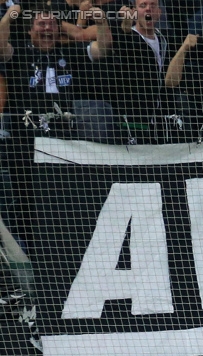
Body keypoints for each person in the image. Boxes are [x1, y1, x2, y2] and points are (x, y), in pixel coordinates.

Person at [0, 4, 111, 246]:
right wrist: (8, 18)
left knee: (62, 199)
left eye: (51, 24)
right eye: (41, 24)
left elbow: (102, 49)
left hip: (63, 144)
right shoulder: (19, 52)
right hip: (25, 146)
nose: (47, 28)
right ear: (30, 31)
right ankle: (31, 250)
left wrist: (102, 23)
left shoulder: (69, 53)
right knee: (27, 201)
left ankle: (61, 247)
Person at [109, 0, 175, 143]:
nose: (148, 9)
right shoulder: (128, 39)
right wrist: (126, 24)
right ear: (134, 11)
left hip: (161, 120)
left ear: (159, 12)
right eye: (143, 5)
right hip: (134, 120)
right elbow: (123, 42)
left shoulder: (165, 40)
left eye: (153, 5)